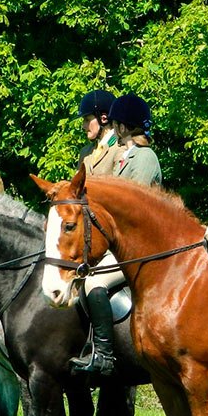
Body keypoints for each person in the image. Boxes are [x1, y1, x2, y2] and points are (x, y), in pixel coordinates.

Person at [70, 93, 162, 376]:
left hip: (141, 246)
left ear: (122, 127)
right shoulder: (129, 155)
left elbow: (133, 208)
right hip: (122, 243)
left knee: (94, 281)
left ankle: (105, 354)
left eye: (119, 125)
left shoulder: (144, 158)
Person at [77, 89, 117, 165]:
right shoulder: (85, 152)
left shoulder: (120, 148)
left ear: (104, 119)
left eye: (87, 120)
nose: (83, 126)